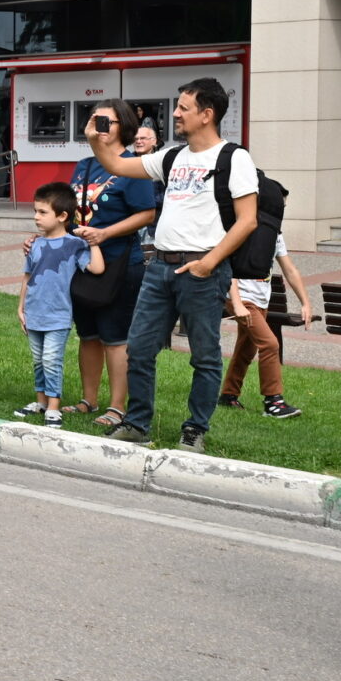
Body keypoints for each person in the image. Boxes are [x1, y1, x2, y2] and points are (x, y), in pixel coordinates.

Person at [86, 78, 261, 452]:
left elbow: (248, 220)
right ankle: (136, 423)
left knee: (205, 356)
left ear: (207, 114)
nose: (176, 113)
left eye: (184, 107)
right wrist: (94, 140)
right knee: (140, 349)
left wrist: (208, 263)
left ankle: (195, 429)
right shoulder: (172, 157)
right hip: (160, 268)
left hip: (202, 270)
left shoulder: (234, 158)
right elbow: (116, 163)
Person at [69, 106, 161, 428]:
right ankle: (88, 399)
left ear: (125, 126)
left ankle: (117, 406)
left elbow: (147, 213)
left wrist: (105, 233)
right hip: (83, 262)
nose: (100, 126)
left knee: (115, 336)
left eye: (107, 121)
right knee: (88, 334)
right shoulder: (84, 166)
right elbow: (71, 211)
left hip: (121, 263)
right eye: (95, 120)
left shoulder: (132, 167)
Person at [15, 183, 102, 425]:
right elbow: (27, 277)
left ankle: (54, 405)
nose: (36, 217)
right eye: (35, 211)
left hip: (58, 316)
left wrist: (93, 241)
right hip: (34, 313)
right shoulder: (35, 244)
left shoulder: (74, 244)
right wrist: (21, 307)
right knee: (38, 360)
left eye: (42, 212)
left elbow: (97, 268)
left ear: (62, 216)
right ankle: (41, 401)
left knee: (52, 359)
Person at [218, 243, 313, 419]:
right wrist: (237, 302)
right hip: (242, 299)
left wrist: (305, 303)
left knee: (246, 349)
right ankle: (273, 402)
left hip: (261, 300)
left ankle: (228, 395)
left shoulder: (275, 234)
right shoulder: (244, 226)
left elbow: (290, 270)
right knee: (269, 344)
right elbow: (228, 266)